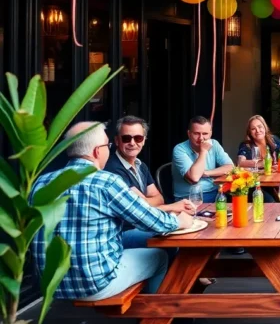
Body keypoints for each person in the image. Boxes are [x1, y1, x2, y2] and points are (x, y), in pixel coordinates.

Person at [31, 122, 193, 301]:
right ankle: (155, 316)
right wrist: (180, 221)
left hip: (51, 285)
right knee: (160, 256)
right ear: (96, 151)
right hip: (94, 284)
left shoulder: (41, 183)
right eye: (108, 145)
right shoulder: (106, 181)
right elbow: (151, 220)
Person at [104, 115, 195, 249]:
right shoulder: (113, 169)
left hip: (142, 224)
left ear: (144, 140)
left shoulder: (141, 165)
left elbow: (159, 198)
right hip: (123, 233)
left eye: (138, 138)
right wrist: (173, 207)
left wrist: (148, 202)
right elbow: (140, 207)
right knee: (173, 235)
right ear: (117, 141)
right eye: (126, 138)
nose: (132, 143)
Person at [172, 116, 234, 203]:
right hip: (188, 197)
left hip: (215, 193)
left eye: (205, 134)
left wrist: (206, 173)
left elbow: (231, 167)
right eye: (196, 133)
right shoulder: (179, 149)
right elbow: (195, 177)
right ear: (189, 133)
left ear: (210, 133)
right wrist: (203, 151)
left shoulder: (214, 144)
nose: (201, 138)